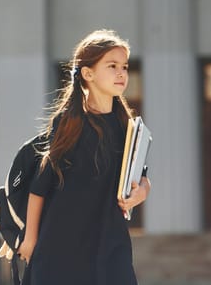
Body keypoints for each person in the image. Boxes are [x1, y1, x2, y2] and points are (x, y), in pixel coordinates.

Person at [18, 29, 151, 285]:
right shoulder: (69, 123)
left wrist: (141, 193)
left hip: (111, 242)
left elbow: (143, 175)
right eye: (112, 66)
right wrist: (31, 239)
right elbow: (40, 186)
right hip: (61, 245)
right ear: (88, 74)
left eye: (124, 66)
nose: (122, 72)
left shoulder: (127, 125)